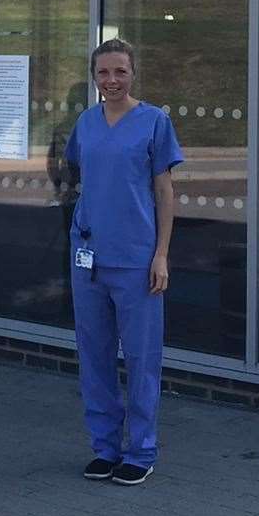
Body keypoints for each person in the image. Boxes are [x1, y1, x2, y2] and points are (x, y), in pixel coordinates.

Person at [65, 39, 182, 486]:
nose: (111, 81)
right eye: (103, 73)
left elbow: (164, 192)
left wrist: (161, 255)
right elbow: (84, 176)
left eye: (120, 72)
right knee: (93, 356)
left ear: (134, 75)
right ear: (94, 77)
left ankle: (141, 450)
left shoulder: (154, 122)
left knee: (141, 358)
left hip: (136, 260)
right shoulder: (87, 122)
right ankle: (105, 447)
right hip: (88, 256)